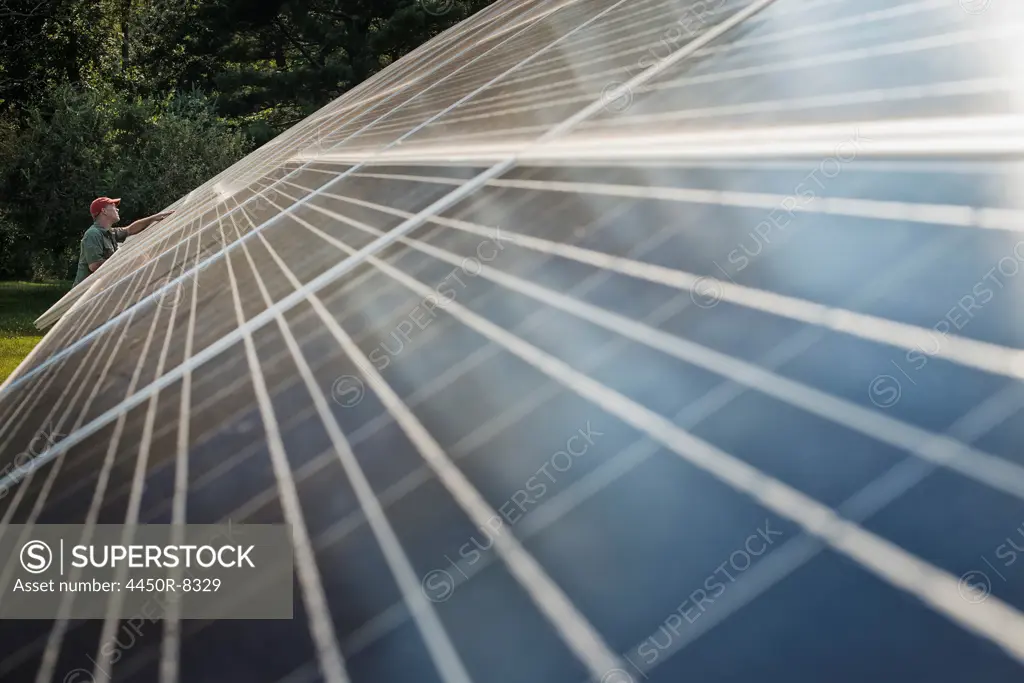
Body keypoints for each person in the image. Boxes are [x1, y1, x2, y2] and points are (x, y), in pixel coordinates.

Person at [73, 197, 173, 286]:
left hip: (98, 289)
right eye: (113, 206)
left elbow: (130, 229)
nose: (117, 209)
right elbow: (94, 266)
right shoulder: (93, 234)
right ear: (104, 211)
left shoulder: (110, 232)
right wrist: (127, 261)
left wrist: (153, 218)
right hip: (83, 294)